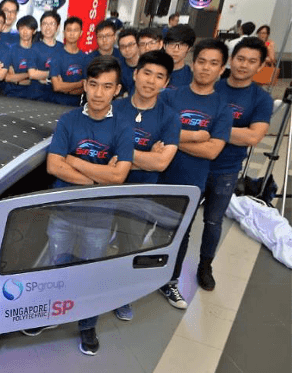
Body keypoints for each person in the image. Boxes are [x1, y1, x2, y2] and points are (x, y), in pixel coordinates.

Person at [42, 55, 133, 354]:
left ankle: (87, 324)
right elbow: (54, 166)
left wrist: (75, 161)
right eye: (93, 84)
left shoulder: (123, 126)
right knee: (57, 268)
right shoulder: (69, 120)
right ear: (84, 85)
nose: (98, 93)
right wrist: (98, 178)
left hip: (99, 217)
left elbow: (119, 176)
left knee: (91, 274)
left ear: (117, 90)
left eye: (106, 86)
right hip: (63, 212)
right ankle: (51, 314)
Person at [158, 38, 233, 309]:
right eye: (201, 61)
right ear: (193, 63)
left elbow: (212, 150)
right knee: (145, 227)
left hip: (190, 182)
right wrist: (197, 136)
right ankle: (142, 276)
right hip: (157, 175)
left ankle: (170, 281)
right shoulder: (169, 96)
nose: (205, 68)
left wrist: (174, 139)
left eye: (213, 63)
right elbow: (156, 132)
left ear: (221, 69)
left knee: (180, 233)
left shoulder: (222, 108)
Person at [111, 49, 180, 320]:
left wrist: (124, 154)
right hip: (106, 188)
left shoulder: (169, 118)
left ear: (166, 82)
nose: (151, 81)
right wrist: (145, 156)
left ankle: (122, 296)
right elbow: (104, 152)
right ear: (135, 74)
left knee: (130, 247)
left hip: (140, 194)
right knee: (95, 244)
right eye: (147, 73)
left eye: (159, 76)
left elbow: (161, 163)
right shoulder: (114, 108)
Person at [200, 37, 273, 290]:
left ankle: (205, 266)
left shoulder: (261, 99)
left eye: (252, 61)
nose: (244, 65)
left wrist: (212, 128)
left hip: (226, 169)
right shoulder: (212, 86)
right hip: (194, 163)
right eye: (240, 59)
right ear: (230, 60)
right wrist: (229, 131)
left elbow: (253, 137)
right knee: (180, 218)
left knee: (213, 221)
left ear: (260, 66)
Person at [50, 16, 88, 106]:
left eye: (75, 30)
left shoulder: (85, 58)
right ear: (64, 33)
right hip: (56, 104)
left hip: (76, 106)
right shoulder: (56, 56)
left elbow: (86, 87)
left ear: (81, 33)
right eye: (69, 30)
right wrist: (80, 83)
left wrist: (64, 87)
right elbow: (57, 87)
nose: (72, 33)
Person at [4, 15, 44, 100]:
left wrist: (19, 77)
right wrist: (31, 74)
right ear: (18, 30)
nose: (25, 32)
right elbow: (9, 78)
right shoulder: (11, 50)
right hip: (13, 92)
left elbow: (43, 78)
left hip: (34, 94)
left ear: (34, 31)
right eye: (22, 28)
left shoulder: (39, 51)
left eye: (28, 28)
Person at [29, 10, 63, 103]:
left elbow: (65, 73)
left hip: (58, 97)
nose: (48, 27)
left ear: (57, 27)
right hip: (37, 96)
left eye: (52, 24)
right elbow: (32, 74)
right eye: (45, 24)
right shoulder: (34, 47)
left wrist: (42, 75)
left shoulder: (62, 48)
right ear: (41, 26)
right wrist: (54, 75)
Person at [163, 24, 196, 90]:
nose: (176, 50)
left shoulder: (193, 77)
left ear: (189, 49)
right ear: (164, 46)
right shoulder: (152, 71)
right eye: (172, 44)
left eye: (181, 45)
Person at [117, 28, 140, 96]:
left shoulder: (147, 64)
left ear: (138, 44)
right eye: (123, 46)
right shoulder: (118, 67)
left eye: (130, 45)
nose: (127, 49)